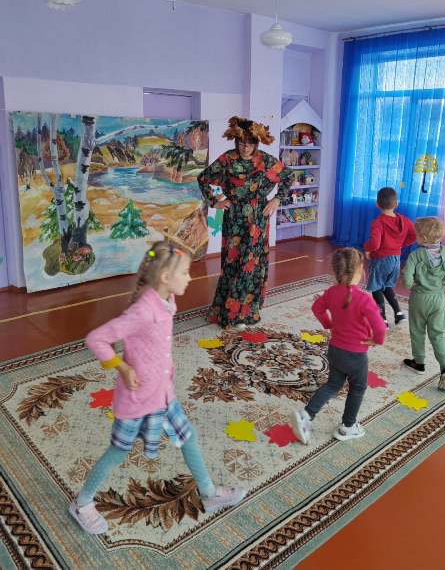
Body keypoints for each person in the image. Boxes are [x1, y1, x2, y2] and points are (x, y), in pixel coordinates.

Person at [69, 239, 246, 535]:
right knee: (117, 452)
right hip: (137, 400)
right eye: (185, 272)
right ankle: (82, 503)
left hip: (163, 395)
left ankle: (208, 492)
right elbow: (96, 339)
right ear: (165, 277)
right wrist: (123, 367)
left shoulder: (167, 299)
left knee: (187, 437)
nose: (190, 278)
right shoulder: (142, 311)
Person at [197, 116, 293, 328]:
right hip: (234, 217)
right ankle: (228, 312)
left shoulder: (266, 161)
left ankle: (245, 314)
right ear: (236, 141)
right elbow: (204, 178)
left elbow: (288, 177)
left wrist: (277, 199)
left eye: (250, 143)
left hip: (258, 219)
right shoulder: (228, 159)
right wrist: (216, 201)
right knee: (232, 263)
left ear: (256, 143)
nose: (245, 147)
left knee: (252, 265)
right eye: (241, 142)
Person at [291, 248, 387, 444]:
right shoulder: (365, 299)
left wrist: (328, 324)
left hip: (335, 350)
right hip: (356, 355)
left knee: (333, 385)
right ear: (360, 271)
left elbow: (316, 307)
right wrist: (377, 340)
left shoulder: (331, 292)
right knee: (358, 387)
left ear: (336, 271)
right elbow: (380, 327)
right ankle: (348, 427)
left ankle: (306, 414)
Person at [402, 217, 445, 391]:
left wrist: (414, 285)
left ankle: (419, 363)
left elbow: (407, 281)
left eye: (417, 235)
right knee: (438, 334)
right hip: (438, 299)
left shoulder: (415, 255)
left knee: (417, 331)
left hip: (419, 299)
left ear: (423, 238)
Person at [364, 187, 416, 326]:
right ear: (396, 204)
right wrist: (400, 244)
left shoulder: (378, 222)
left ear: (377, 204)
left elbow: (375, 244)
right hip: (396, 260)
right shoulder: (404, 220)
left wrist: (367, 248)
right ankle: (399, 313)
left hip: (380, 259)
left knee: (376, 287)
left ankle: (382, 320)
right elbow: (414, 235)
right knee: (387, 286)